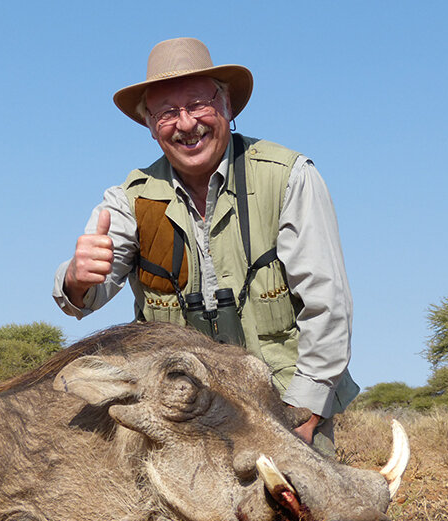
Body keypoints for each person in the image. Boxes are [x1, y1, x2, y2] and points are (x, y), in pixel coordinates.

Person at [52, 37, 357, 456]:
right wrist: (76, 278)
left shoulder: (289, 176)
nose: (185, 123)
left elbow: (328, 305)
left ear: (227, 106)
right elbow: (82, 300)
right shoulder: (127, 200)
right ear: (149, 126)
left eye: (197, 104)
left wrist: (301, 415)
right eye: (166, 113)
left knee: (308, 518)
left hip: (283, 402)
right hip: (180, 412)